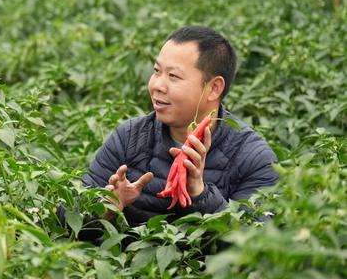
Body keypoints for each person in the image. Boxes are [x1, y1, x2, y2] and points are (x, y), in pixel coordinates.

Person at [77, 26, 278, 237]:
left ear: (214, 88)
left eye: (173, 76)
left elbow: (257, 243)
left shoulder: (253, 158)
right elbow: (69, 218)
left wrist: (200, 194)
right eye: (157, 71)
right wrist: (104, 210)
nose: (157, 85)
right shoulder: (129, 138)